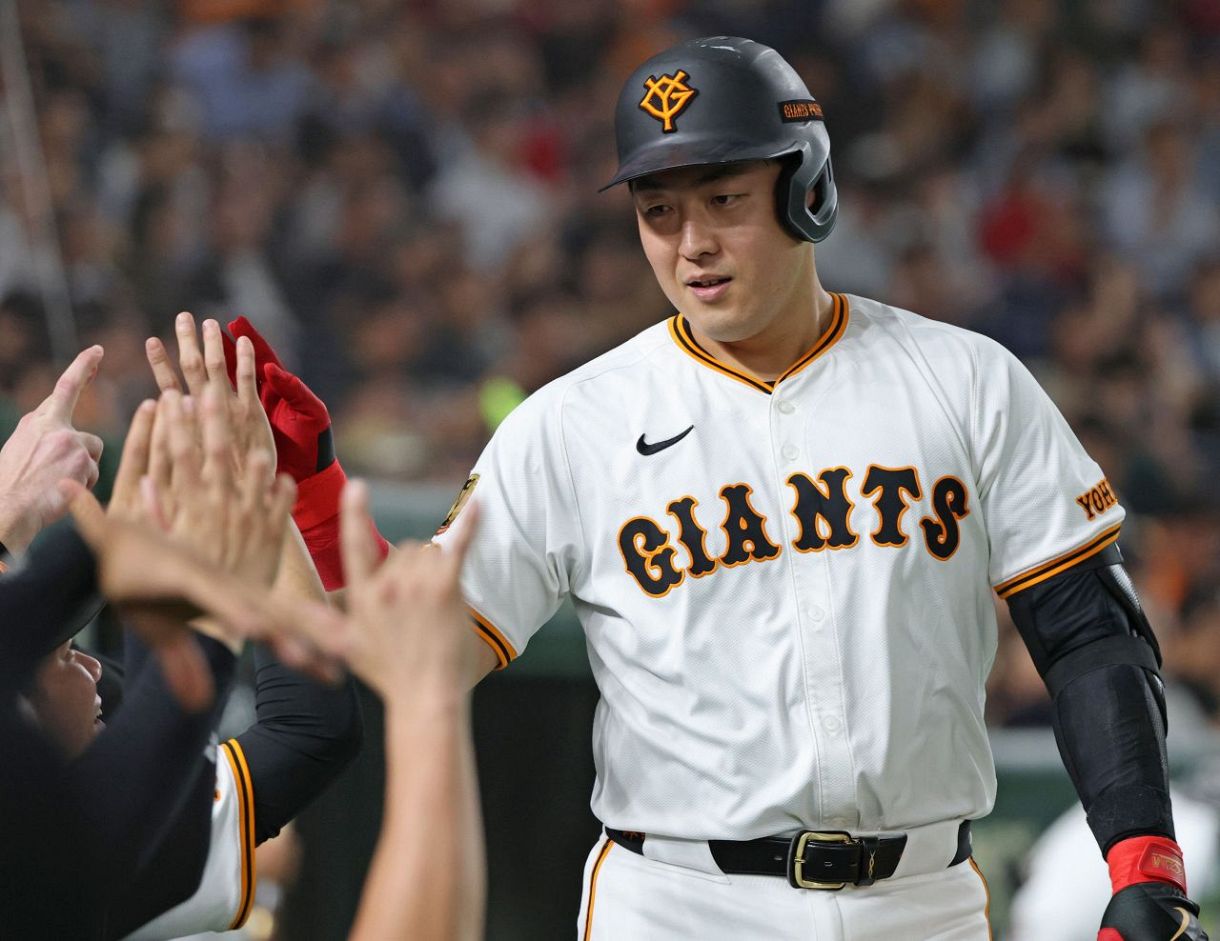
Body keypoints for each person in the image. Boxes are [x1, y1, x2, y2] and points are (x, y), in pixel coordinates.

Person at [229, 37, 1205, 941]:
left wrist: (1142, 859)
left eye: (724, 199)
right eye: (658, 211)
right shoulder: (571, 424)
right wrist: (310, 494)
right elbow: (420, 652)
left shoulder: (964, 380)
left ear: (807, 189)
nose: (689, 241)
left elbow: (1086, 630)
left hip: (921, 900)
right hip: (678, 900)